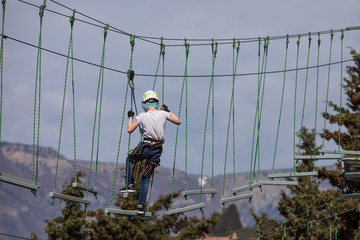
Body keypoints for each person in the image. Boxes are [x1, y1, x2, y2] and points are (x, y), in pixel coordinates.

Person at [120, 90, 181, 214]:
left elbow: (129, 129)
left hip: (146, 146)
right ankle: (140, 206)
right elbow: (178, 121)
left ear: (144, 104)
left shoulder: (142, 116)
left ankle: (130, 185)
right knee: (145, 177)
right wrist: (167, 111)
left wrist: (131, 116)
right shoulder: (163, 113)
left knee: (131, 159)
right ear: (156, 103)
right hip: (157, 149)